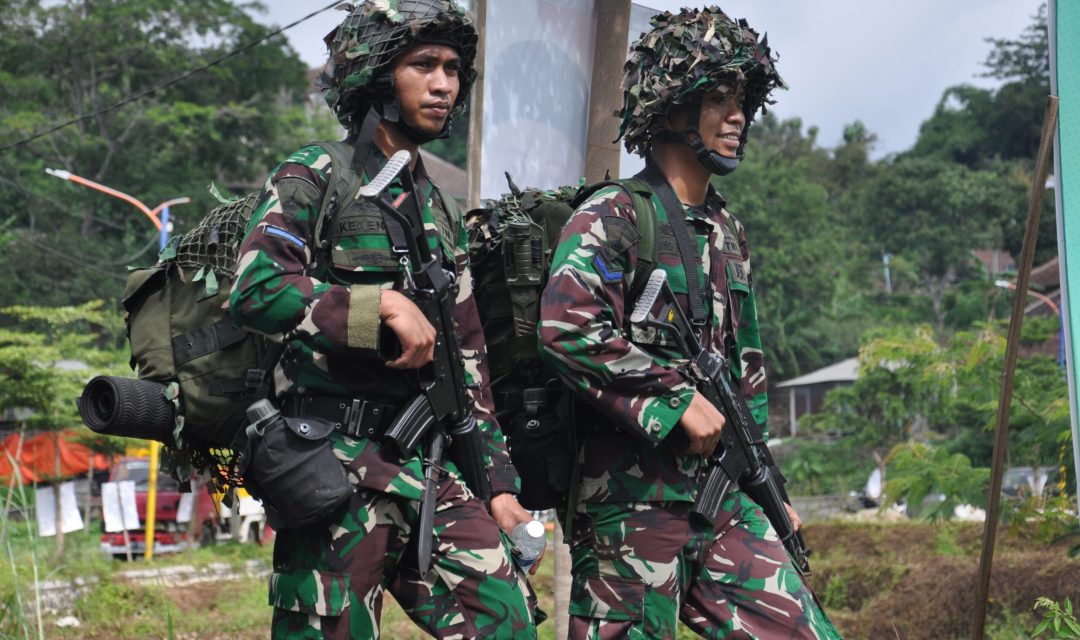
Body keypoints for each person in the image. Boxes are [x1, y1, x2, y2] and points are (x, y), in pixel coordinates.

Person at [229, 1, 540, 637]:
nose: (443, 83)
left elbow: (467, 359)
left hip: (429, 470)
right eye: (423, 64)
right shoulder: (317, 174)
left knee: (507, 621)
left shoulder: (442, 208)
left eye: (453, 68)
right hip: (331, 468)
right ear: (376, 77)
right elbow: (257, 287)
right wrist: (377, 307)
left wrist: (499, 486)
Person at [538, 7, 842, 639]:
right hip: (631, 507)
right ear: (671, 105)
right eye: (718, 99)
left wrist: (768, 486)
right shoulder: (616, 214)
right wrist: (674, 401)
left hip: (723, 497)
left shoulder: (727, 232)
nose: (737, 117)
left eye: (744, 101)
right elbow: (566, 326)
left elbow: (745, 371)